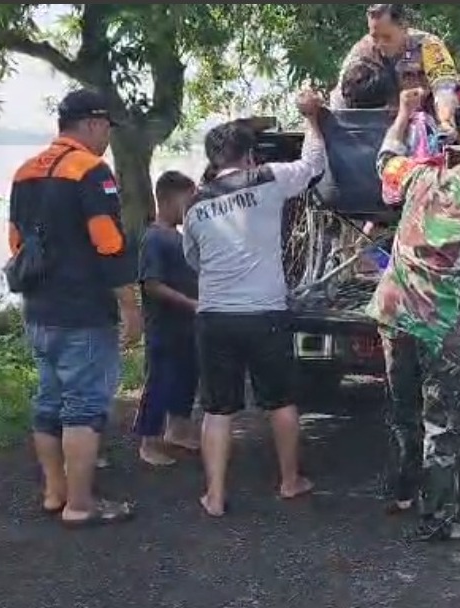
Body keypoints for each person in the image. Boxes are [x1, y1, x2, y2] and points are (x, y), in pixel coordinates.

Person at [368, 87, 460, 542]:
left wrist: (404, 114)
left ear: (459, 156)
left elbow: (384, 160)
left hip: (393, 314)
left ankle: (399, 493)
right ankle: (437, 519)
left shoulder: (419, 179)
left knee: (401, 410)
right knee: (443, 422)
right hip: (442, 329)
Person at [183, 89, 327, 518]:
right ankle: (289, 480)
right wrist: (312, 120)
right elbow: (313, 165)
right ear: (249, 155)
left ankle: (214, 494)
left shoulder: (195, 204)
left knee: (217, 409)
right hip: (264, 313)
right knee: (280, 401)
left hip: (213, 317)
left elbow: (193, 259)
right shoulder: (267, 180)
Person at [6, 88, 142, 527]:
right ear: (92, 123)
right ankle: (81, 505)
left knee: (49, 402)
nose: (106, 138)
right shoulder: (91, 170)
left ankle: (55, 492)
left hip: (39, 309)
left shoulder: (25, 172)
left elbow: (16, 242)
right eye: (105, 128)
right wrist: (130, 306)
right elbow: (109, 242)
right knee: (83, 407)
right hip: (83, 311)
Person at [133, 171, 201, 466]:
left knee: (187, 378)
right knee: (160, 382)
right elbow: (151, 283)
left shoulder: (179, 237)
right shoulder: (155, 238)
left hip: (188, 327)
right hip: (164, 326)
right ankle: (149, 442)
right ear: (170, 200)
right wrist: (189, 303)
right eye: (190, 201)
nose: (194, 208)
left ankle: (178, 430)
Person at [331, 4, 460, 138]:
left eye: (387, 37)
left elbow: (444, 87)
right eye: (375, 37)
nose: (379, 44)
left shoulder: (428, 46)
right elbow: (342, 92)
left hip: (421, 126)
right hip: (374, 128)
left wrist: (446, 121)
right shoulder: (362, 50)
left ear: (404, 28)